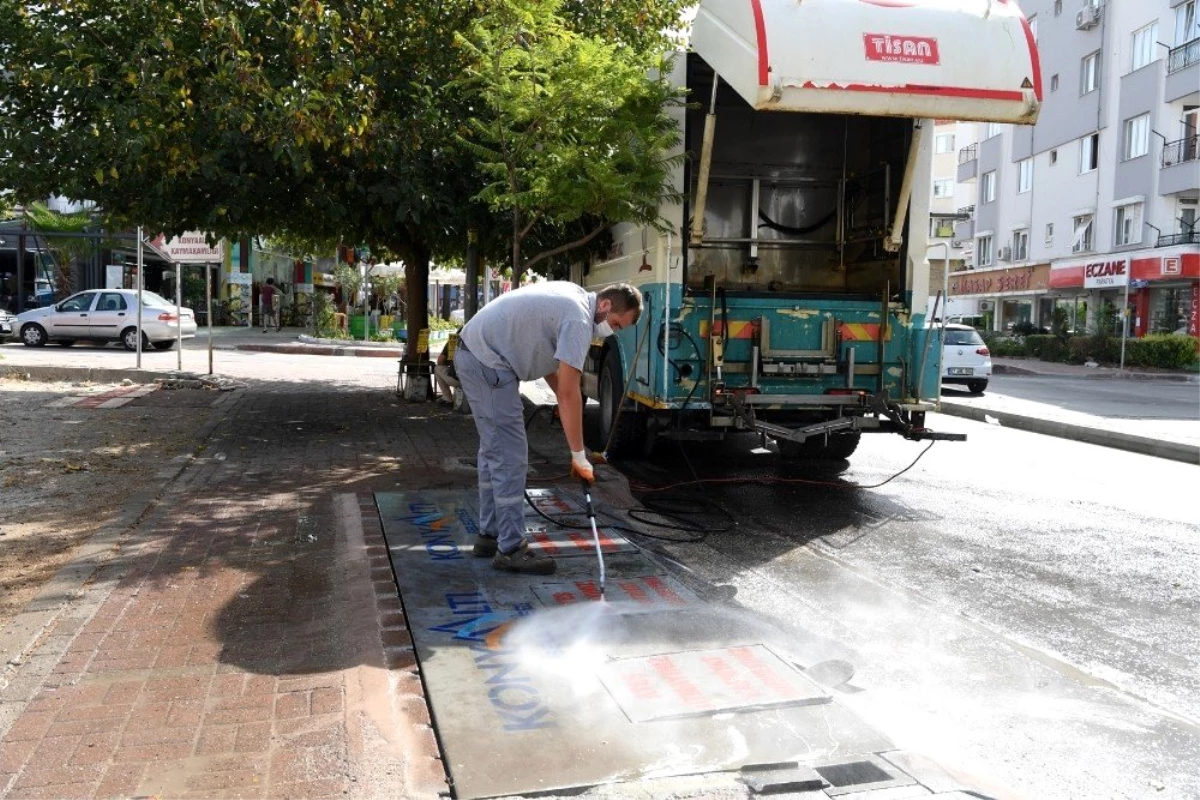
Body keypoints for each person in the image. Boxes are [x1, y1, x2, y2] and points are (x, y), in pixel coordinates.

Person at [455, 281, 642, 575]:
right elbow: (570, 393)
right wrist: (579, 456)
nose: (613, 332)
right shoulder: (579, 319)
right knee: (510, 457)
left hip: (476, 354)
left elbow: (556, 375)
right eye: (616, 324)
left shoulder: (573, 298)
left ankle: (490, 536)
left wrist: (571, 429)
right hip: (488, 363)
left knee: (495, 452)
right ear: (605, 305)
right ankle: (511, 549)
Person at [434, 332, 461, 406]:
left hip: (458, 380)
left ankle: (447, 398)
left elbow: (440, 360)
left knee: (438, 368)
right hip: (481, 380)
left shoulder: (454, 341)